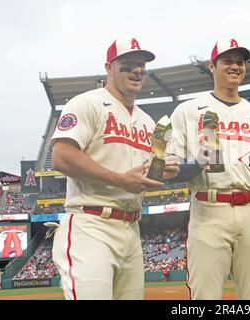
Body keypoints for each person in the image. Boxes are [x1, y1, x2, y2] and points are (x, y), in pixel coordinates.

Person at [50, 37, 179, 300]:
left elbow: (148, 170)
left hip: (132, 228)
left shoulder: (148, 121)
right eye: (128, 64)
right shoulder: (87, 103)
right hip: (91, 224)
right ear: (109, 68)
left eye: (142, 65)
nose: (137, 70)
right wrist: (120, 180)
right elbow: (62, 156)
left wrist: (163, 171)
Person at [167, 38, 250, 300]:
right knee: (205, 296)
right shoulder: (188, 110)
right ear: (211, 67)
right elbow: (166, 168)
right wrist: (193, 166)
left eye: (240, 62)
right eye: (227, 61)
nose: (235, 66)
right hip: (208, 209)